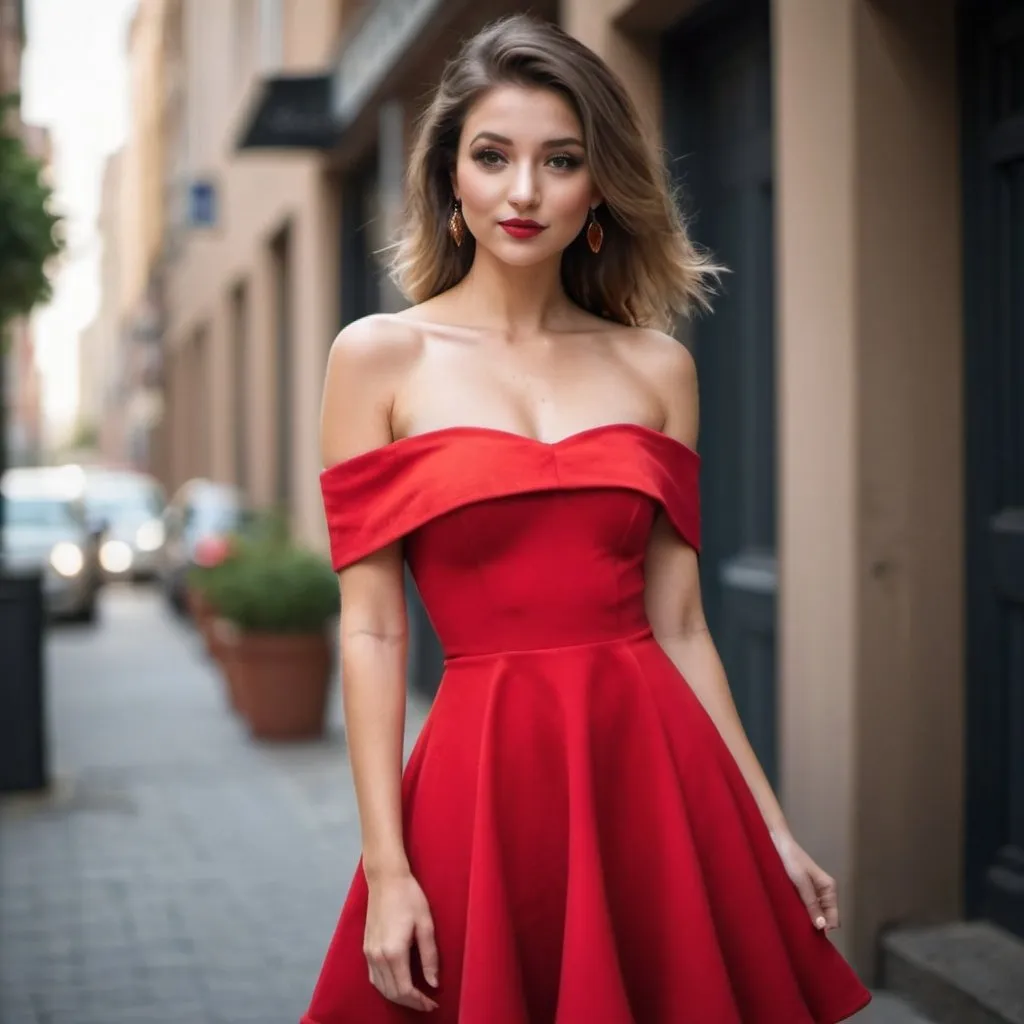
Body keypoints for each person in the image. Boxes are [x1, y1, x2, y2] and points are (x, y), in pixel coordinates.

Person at [304, 14, 871, 1024]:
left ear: (597, 184)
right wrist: (386, 867)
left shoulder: (657, 367)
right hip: (484, 778)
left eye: (558, 161)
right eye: (493, 157)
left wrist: (767, 825)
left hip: (651, 772)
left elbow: (683, 625)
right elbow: (373, 626)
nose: (523, 192)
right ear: (451, 180)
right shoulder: (378, 358)